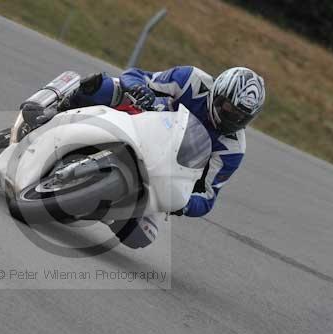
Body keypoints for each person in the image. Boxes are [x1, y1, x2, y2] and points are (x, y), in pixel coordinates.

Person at [22, 66, 266, 249]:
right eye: (228, 108)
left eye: (241, 116)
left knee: (141, 236)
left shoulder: (232, 148)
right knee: (104, 86)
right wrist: (139, 89)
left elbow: (208, 197)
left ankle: (91, 201)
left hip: (161, 171)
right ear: (218, 92)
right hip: (140, 121)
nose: (232, 118)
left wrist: (183, 203)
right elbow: (136, 75)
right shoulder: (192, 81)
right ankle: (52, 111)